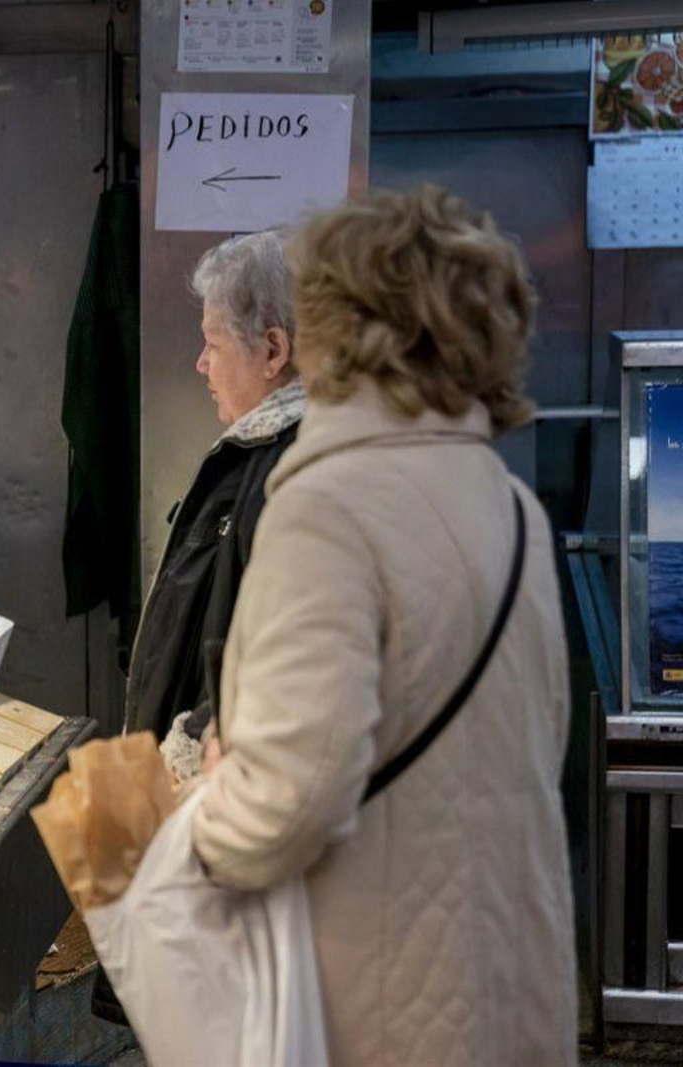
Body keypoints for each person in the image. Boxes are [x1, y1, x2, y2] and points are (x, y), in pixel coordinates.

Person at [195, 186, 575, 1065]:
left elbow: (286, 806)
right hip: (511, 984)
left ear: (339, 328)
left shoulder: (328, 508)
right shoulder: (512, 506)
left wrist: (202, 808)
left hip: (379, 1002)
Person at [92, 230, 306, 1026]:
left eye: (214, 342)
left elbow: (280, 684)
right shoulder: (253, 453)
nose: (200, 362)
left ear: (274, 349)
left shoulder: (293, 469)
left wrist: (152, 804)